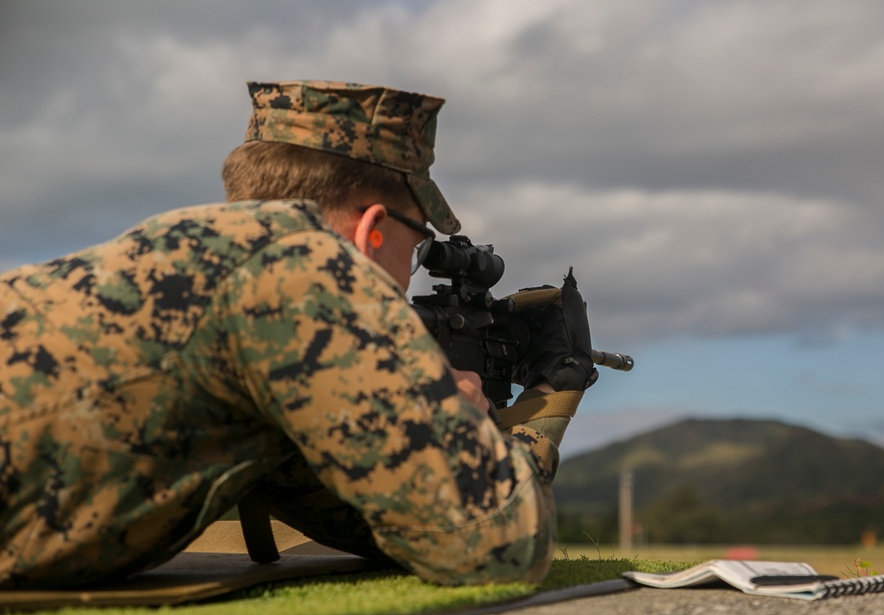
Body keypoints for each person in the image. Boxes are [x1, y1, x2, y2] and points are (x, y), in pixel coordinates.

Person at [0, 80, 597, 589]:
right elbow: (496, 544)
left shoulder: (179, 248)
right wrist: (539, 408)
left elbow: (381, 520)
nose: (405, 279)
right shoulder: (304, 270)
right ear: (372, 230)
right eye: (416, 250)